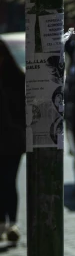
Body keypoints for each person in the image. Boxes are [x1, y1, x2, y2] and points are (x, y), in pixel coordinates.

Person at [0, 40, 25, 243]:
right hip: (11, 139)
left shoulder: (17, 79)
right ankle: (3, 222)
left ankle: (12, 223)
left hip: (12, 141)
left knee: (8, 181)